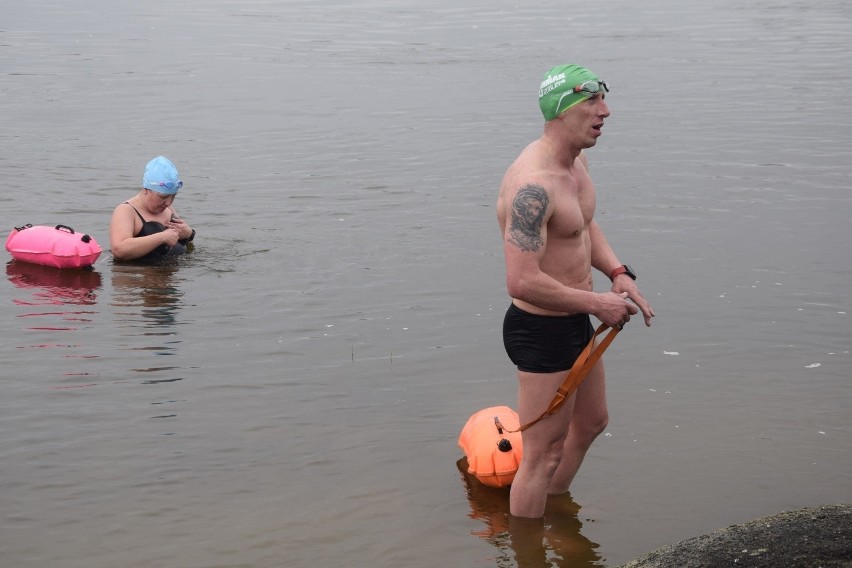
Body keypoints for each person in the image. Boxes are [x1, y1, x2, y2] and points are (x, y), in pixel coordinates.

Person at [496, 64, 655, 519]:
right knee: (540, 456)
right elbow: (521, 280)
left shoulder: (576, 162)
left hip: (578, 317)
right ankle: (527, 545)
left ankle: (555, 514)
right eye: (592, 102)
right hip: (539, 330)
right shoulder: (533, 188)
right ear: (560, 109)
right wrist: (598, 303)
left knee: (591, 423)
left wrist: (616, 272)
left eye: (604, 99)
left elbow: (582, 225)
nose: (605, 111)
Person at [109, 156, 196, 262]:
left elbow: (185, 242)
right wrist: (162, 237)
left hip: (173, 274)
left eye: (173, 196)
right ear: (145, 190)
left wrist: (190, 234)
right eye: (163, 197)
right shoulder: (126, 211)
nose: (168, 203)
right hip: (144, 275)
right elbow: (119, 250)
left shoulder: (167, 208)